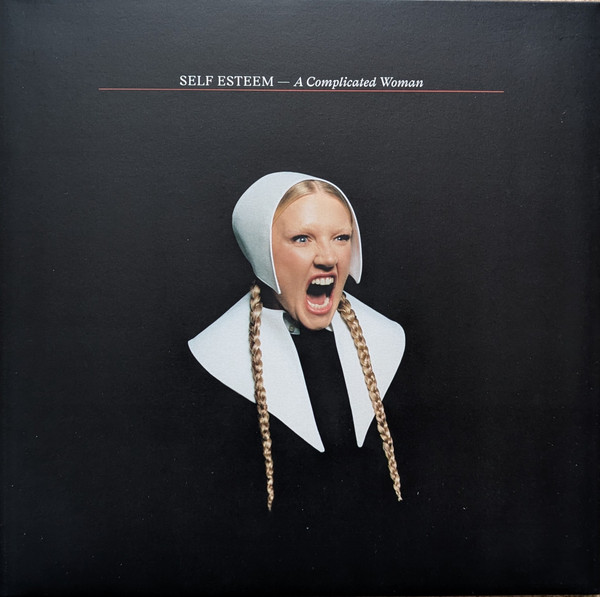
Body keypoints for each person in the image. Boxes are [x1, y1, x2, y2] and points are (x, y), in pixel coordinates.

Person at [188, 171, 406, 510]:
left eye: (341, 237)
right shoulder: (208, 365)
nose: (328, 258)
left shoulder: (392, 344)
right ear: (262, 251)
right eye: (302, 239)